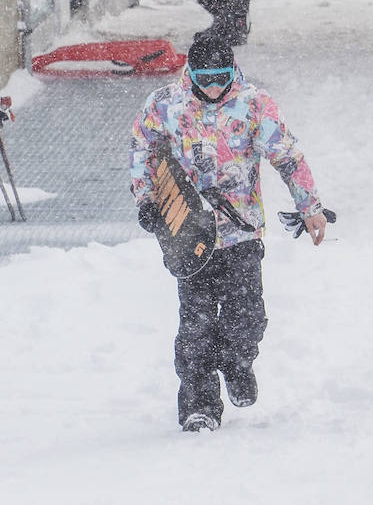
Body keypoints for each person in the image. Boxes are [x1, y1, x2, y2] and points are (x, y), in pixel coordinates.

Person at [129, 38, 328, 432]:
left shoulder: (254, 105)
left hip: (242, 233)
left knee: (247, 320)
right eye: (206, 79)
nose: (215, 87)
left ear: (233, 70)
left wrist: (311, 207)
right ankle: (199, 404)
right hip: (187, 233)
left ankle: (237, 363)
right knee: (196, 325)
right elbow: (142, 148)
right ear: (191, 74)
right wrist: (146, 198)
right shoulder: (165, 104)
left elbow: (286, 155)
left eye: (222, 78)